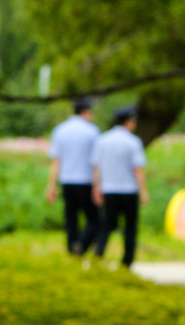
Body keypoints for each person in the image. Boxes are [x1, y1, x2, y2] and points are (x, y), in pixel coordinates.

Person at [92, 104, 149, 265]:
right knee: (130, 228)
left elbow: (96, 167)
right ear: (129, 122)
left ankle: (99, 255)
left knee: (107, 225)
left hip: (109, 190)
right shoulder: (133, 142)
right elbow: (138, 169)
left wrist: (96, 188)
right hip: (129, 191)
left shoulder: (103, 140)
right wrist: (143, 191)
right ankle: (127, 262)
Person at [46, 96, 101, 254]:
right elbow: (96, 163)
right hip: (85, 181)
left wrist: (52, 186)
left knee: (71, 219)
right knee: (94, 220)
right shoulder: (92, 131)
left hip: (67, 181)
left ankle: (71, 248)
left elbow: (56, 161)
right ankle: (82, 245)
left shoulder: (60, 130)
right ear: (85, 112)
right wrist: (97, 186)